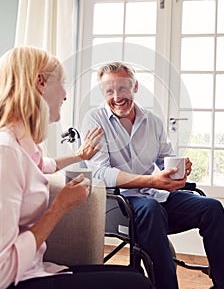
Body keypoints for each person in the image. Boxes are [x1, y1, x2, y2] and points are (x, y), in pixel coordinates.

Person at [0, 47, 155, 289]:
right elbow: (2, 272)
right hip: (15, 280)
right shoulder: (6, 152)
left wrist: (78, 156)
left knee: (137, 279)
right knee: (139, 285)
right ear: (41, 82)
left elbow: (45, 165)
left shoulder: (25, 144)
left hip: (34, 268)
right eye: (62, 83)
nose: (65, 95)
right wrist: (60, 206)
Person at [82, 61, 224, 289]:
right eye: (109, 91)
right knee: (151, 210)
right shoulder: (95, 120)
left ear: (135, 87)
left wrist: (178, 170)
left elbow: (165, 158)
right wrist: (152, 180)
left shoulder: (151, 120)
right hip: (119, 205)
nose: (117, 97)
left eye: (122, 88)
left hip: (155, 198)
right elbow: (101, 173)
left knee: (211, 207)